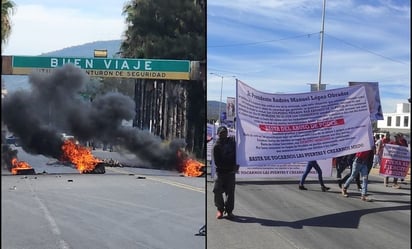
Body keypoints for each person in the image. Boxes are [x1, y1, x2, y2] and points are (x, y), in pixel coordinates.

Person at [212, 126, 238, 219]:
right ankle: (220, 209)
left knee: (230, 193)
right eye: (221, 133)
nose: (223, 134)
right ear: (218, 134)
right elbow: (217, 162)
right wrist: (229, 166)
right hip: (220, 172)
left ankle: (229, 211)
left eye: (225, 132)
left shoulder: (232, 142)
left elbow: (238, 154)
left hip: (230, 173)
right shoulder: (216, 146)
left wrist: (236, 165)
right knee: (216, 190)